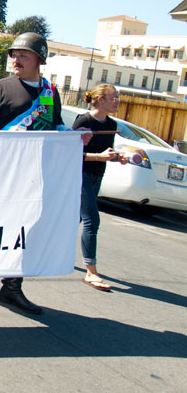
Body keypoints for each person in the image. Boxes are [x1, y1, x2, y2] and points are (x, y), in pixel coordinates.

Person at [0, 32, 91, 315]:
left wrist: (74, 136)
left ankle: (11, 287)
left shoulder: (50, 93)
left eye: (23, 55)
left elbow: (54, 126)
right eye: (13, 54)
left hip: (32, 174)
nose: (15, 59)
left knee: (22, 229)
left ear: (39, 59)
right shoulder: (0, 88)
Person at [73, 84, 128, 291]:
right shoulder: (84, 121)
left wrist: (116, 157)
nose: (117, 101)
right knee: (91, 221)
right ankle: (91, 272)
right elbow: (71, 153)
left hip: (96, 177)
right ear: (100, 100)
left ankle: (39, 252)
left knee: (73, 220)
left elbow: (106, 152)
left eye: (118, 97)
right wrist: (99, 156)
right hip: (80, 176)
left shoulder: (111, 123)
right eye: (113, 97)